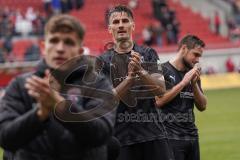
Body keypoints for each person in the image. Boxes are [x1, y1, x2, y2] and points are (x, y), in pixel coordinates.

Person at [0, 14, 117, 160]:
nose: (60, 48)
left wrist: (61, 107)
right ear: (43, 47)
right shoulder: (21, 85)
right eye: (54, 41)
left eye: (69, 42)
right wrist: (39, 114)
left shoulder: (98, 84)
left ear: (80, 52)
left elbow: (102, 134)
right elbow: (5, 138)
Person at [97, 5, 174, 160]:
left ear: (132, 26)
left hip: (153, 135)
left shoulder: (148, 53)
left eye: (125, 20)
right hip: (121, 139)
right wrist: (130, 79)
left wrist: (141, 71)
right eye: (116, 22)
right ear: (109, 28)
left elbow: (160, 90)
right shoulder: (102, 61)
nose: (120, 25)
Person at [155, 35, 207, 160]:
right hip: (170, 137)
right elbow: (158, 101)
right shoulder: (161, 70)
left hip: (192, 136)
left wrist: (194, 85)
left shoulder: (192, 73)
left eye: (199, 56)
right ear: (184, 48)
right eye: (195, 54)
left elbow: (203, 106)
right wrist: (184, 83)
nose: (197, 59)